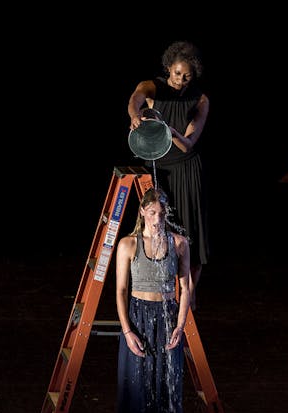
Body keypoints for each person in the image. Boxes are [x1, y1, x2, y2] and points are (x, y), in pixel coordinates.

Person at [114, 187, 191, 413]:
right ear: (143, 212)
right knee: (136, 386)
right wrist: (127, 330)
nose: (157, 218)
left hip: (167, 318)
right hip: (138, 317)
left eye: (161, 213)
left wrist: (180, 326)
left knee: (166, 387)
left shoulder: (179, 243)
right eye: (152, 212)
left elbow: (185, 289)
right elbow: (121, 291)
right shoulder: (128, 244)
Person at [127, 40, 209, 311]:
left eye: (186, 75)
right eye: (176, 74)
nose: (180, 80)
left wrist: (168, 130)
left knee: (190, 231)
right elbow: (136, 98)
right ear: (167, 69)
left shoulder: (200, 99)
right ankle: (158, 288)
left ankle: (191, 293)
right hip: (158, 168)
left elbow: (188, 143)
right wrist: (134, 115)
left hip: (186, 167)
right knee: (160, 224)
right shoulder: (154, 87)